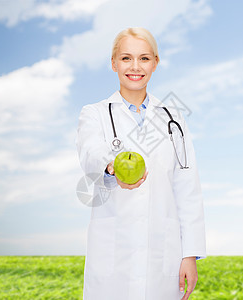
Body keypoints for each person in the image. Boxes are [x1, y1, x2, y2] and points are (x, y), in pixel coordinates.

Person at [76, 27, 206, 300]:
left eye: (144, 58)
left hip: (162, 254)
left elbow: (187, 187)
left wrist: (190, 254)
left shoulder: (173, 118)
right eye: (126, 58)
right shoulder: (95, 113)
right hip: (113, 255)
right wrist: (112, 166)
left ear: (156, 63)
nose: (135, 66)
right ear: (113, 63)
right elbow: (90, 152)